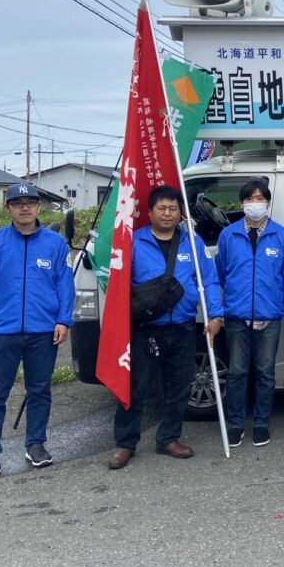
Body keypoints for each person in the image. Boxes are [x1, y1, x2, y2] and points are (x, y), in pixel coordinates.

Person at [107, 185, 223, 470]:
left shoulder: (192, 242)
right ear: (150, 212)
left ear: (180, 213)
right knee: (136, 388)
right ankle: (125, 443)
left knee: (179, 387)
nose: (168, 214)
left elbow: (209, 280)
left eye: (173, 208)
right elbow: (119, 285)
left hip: (183, 328)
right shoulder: (134, 242)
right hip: (146, 329)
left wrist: (216, 315)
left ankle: (169, 438)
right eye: (162, 208)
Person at [0, 183, 74, 477]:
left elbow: (65, 284)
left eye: (30, 202)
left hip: (43, 331)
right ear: (8, 208)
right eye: (17, 203)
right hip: (1, 331)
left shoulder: (55, 243)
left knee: (39, 390)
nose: (24, 208)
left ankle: (36, 443)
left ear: (39, 206)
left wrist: (63, 320)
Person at [215, 179, 284, 448]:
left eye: (260, 198)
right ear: (242, 203)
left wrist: (272, 299)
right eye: (249, 199)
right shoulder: (228, 235)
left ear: (268, 202)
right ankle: (236, 425)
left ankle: (261, 424)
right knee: (237, 372)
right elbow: (222, 272)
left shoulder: (282, 235)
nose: (255, 203)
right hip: (236, 315)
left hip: (269, 316)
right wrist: (236, 296)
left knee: (265, 373)